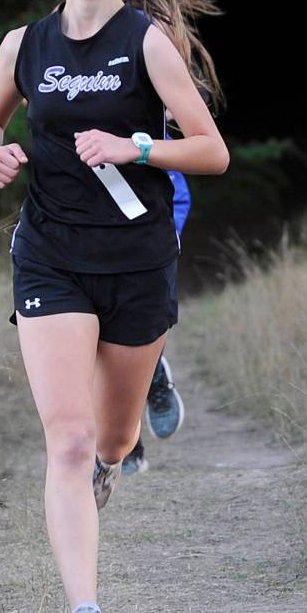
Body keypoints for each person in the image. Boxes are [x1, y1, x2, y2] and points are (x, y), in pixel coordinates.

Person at [0, 0, 229, 613]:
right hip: (49, 255)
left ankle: (134, 418)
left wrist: (136, 149)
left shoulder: (148, 43)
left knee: (113, 441)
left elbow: (211, 151)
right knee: (70, 439)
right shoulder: (24, 45)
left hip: (138, 260)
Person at [123, 169, 191, 475]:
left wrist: (160, 241)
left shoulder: (148, 130)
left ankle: (152, 373)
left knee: (124, 350)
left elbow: (177, 197)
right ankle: (125, 451)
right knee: (91, 352)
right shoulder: (62, 128)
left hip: (142, 256)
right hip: (74, 255)